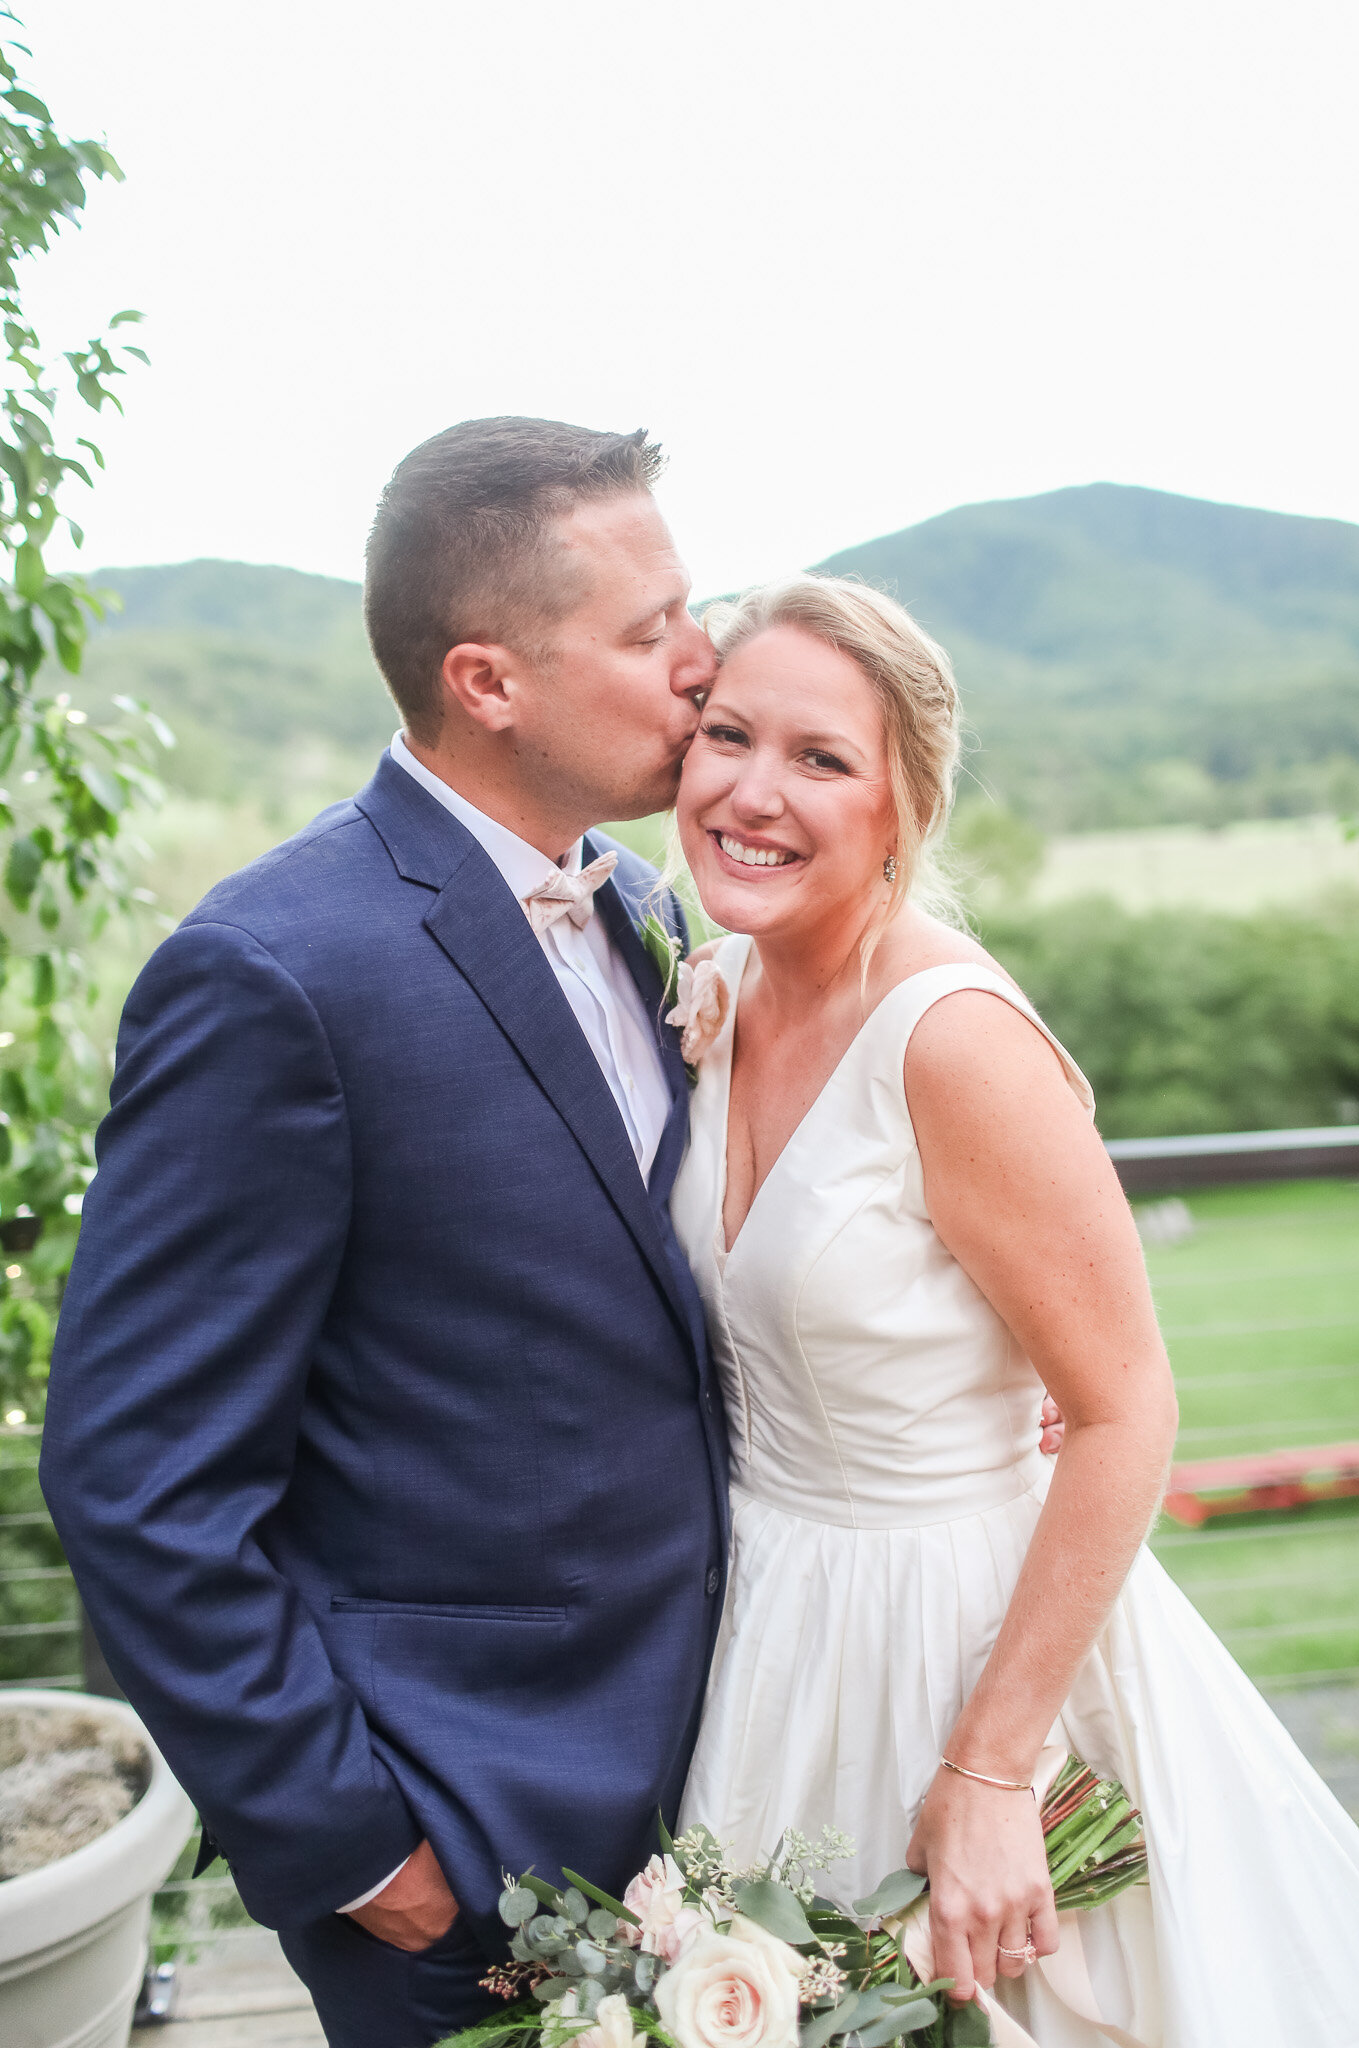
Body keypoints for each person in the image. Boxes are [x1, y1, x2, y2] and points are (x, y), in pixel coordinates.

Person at [39, 417, 730, 2048]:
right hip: (460, 1836)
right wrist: (355, 1848)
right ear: (487, 681)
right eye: (648, 633)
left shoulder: (643, 907)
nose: (706, 664)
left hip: (722, 1793)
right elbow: (135, 1473)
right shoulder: (273, 972)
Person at [668, 573, 1359, 2047]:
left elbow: (1124, 1409)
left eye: (819, 759)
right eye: (726, 734)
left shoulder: (954, 1040)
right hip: (767, 1626)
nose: (751, 790)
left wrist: (991, 1772)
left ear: (901, 805)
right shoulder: (714, 985)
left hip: (961, 1636)